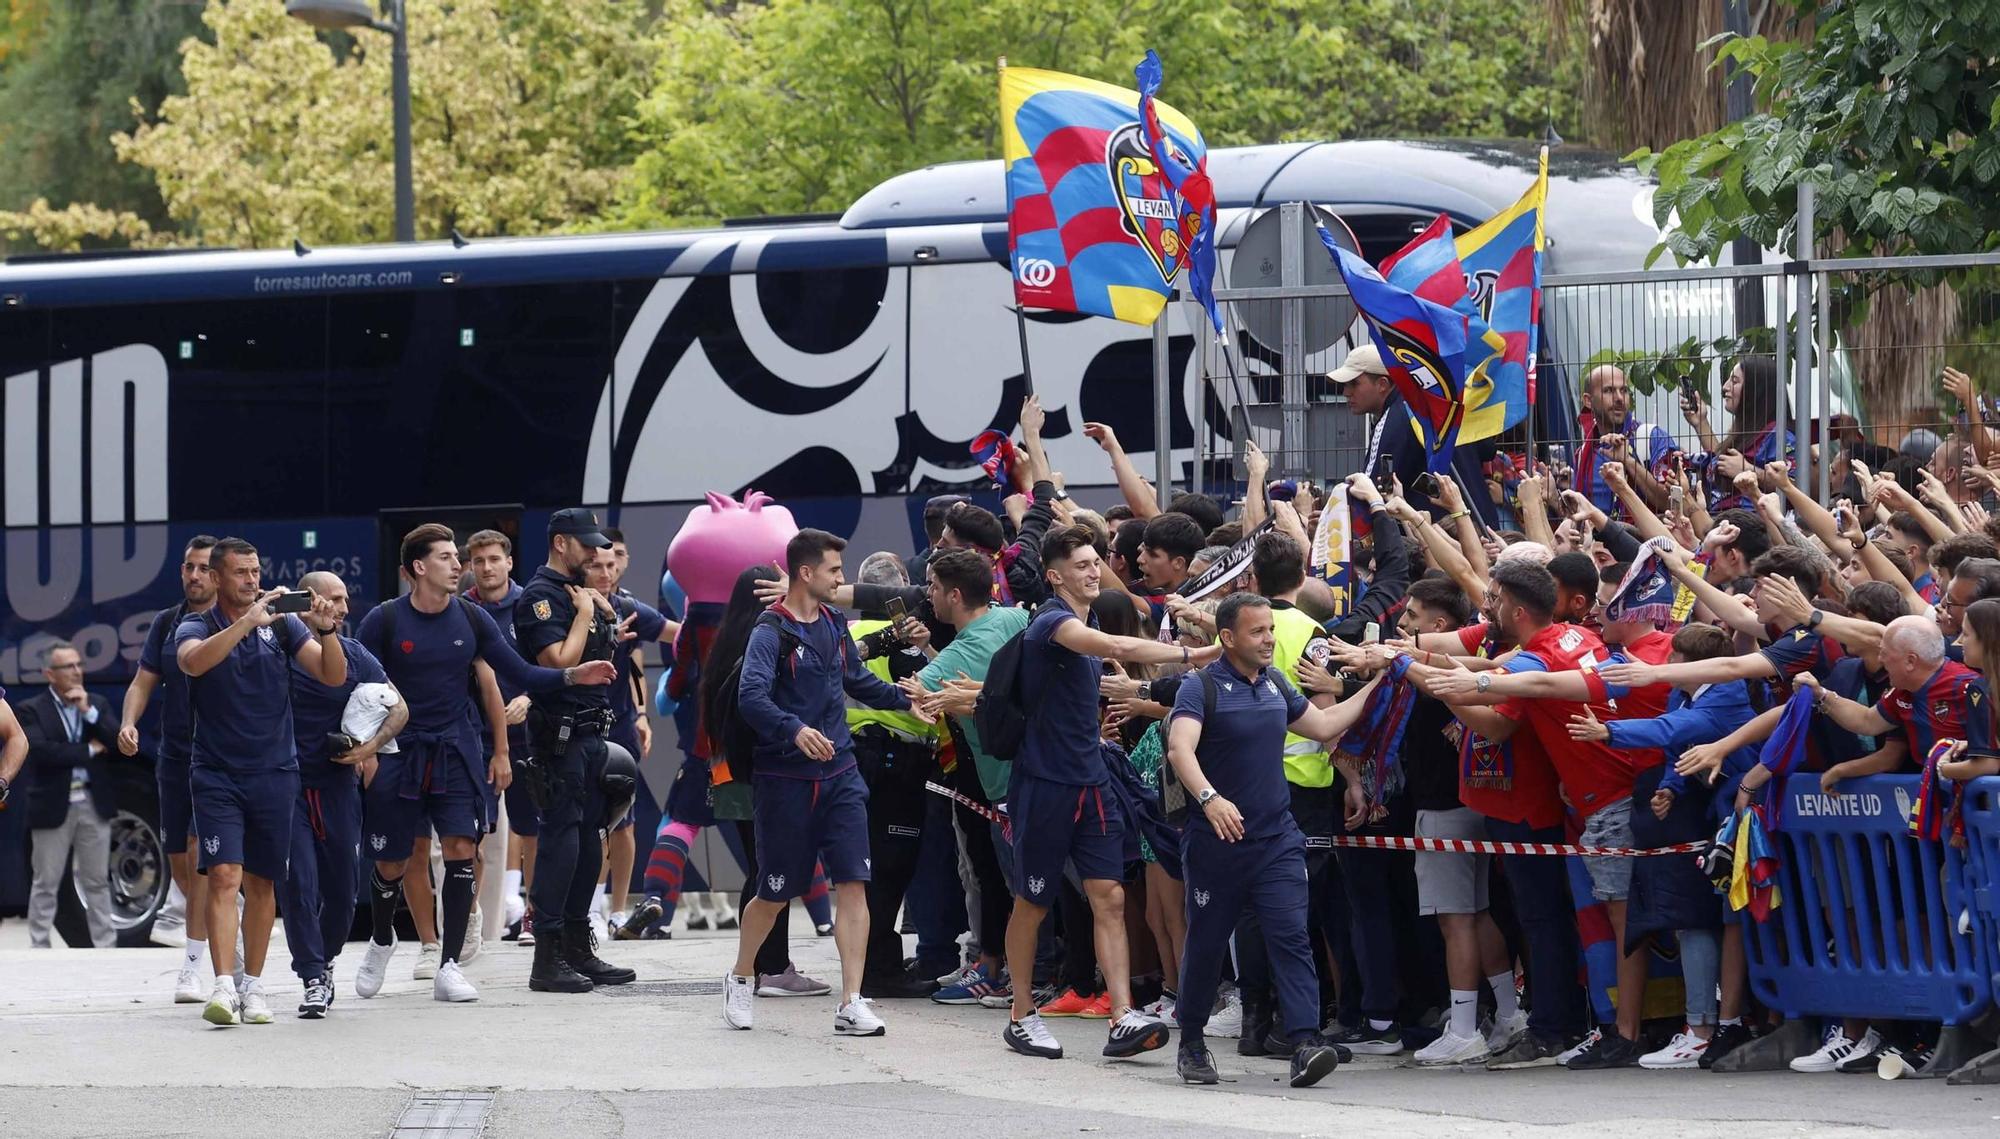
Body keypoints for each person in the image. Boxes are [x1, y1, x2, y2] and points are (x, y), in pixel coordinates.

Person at [354, 523, 613, 1003]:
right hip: (399, 754)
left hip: (455, 752)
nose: (460, 565)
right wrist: (363, 750)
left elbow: (520, 673)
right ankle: (383, 939)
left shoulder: (472, 620)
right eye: (447, 557)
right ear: (418, 567)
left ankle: (448, 963)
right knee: (393, 862)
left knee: (459, 849)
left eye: (460, 556)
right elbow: (358, 690)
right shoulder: (384, 621)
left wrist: (573, 674)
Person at [999, 525, 1223, 1063]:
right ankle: (1021, 1015)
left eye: (1097, 560)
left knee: (1112, 898)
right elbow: (1118, 646)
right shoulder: (1054, 622)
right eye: (1081, 564)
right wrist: (1202, 654)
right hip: (1045, 786)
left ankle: (1123, 1015)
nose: (1094, 570)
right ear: (1055, 576)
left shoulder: (1091, 614)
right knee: (1032, 901)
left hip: (1092, 781)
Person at [720, 529, 931, 1036]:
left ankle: (852, 1000)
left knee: (856, 883)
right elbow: (752, 698)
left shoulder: (835, 622)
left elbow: (856, 680)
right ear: (806, 573)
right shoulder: (769, 631)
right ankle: (742, 976)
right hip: (785, 781)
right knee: (773, 893)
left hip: (842, 779)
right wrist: (794, 730)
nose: (842, 578)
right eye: (835, 571)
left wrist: (907, 699)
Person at [1165, 593, 1374, 1087]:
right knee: (1208, 942)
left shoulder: (1277, 683)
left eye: (1270, 631)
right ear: (1228, 638)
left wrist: (1380, 686)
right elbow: (1180, 747)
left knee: (1292, 937)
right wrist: (1211, 799)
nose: (1269, 640)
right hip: (1216, 843)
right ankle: (1191, 1043)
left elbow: (1322, 724)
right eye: (1257, 632)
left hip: (1278, 838)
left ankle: (1304, 1042)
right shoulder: (1200, 688)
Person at [175, 537, 346, 1026]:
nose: (253, 580)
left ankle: (254, 985)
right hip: (216, 774)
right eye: (242, 573)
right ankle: (224, 986)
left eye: (256, 571)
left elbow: (331, 675)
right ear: (217, 578)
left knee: (262, 882)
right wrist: (246, 625)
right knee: (224, 876)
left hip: (275, 772)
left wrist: (327, 629)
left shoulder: (285, 624)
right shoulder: (197, 624)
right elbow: (192, 662)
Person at [901, 548, 1032, 1009]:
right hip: (1035, 775)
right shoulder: (1013, 619)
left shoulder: (957, 654)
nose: (928, 595)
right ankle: (1022, 972)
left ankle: (1017, 978)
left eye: (934, 587)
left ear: (954, 595)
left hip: (1006, 789)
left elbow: (916, 700)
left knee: (1017, 887)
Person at [281, 572, 406, 1018]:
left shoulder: (354, 654)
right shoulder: (277, 648)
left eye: (345, 599)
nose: (344, 608)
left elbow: (399, 707)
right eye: (334, 599)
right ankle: (313, 976)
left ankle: (327, 959)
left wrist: (368, 750)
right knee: (299, 883)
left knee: (342, 889)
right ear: (309, 601)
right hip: (287, 786)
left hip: (337, 786)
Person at [119, 534, 218, 986]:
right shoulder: (165, 622)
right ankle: (216, 920)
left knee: (201, 853)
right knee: (180, 863)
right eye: (187, 567)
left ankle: (196, 962)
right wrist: (128, 722)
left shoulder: (234, 620)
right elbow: (142, 682)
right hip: (174, 756)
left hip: (220, 757)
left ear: (217, 573)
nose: (193, 576)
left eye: (201, 568)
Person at [589, 530, 679, 940]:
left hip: (619, 729)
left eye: (612, 563)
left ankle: (616, 910)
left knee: (622, 823)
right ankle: (583, 908)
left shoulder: (629, 608)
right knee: (585, 823)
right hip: (576, 729)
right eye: (597, 564)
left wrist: (641, 714)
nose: (606, 572)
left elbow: (675, 636)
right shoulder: (562, 606)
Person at [17, 641, 128, 949]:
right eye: (69, 667)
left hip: (93, 803)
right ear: (49, 674)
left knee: (96, 880)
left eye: (79, 665)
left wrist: (87, 712)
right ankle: (39, 947)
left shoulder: (97, 704)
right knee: (46, 882)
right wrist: (89, 750)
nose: (77, 672)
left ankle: (106, 947)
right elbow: (40, 752)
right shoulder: (31, 708)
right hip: (53, 806)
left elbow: (118, 745)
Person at [465, 529, 540, 944]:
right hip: (475, 740)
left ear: (509, 562)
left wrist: (528, 698)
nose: (488, 568)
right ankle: (471, 917)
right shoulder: (461, 609)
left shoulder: (532, 605)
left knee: (533, 831)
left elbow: (548, 663)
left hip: (529, 738)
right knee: (472, 833)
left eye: (495, 559)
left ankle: (533, 914)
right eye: (479, 561)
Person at [1327, 342, 1494, 523]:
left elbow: (1371, 490)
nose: (1346, 392)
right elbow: (1488, 449)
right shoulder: (1441, 402)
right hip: (1484, 525)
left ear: (1382, 384)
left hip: (1439, 536)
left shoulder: (1395, 416)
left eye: (1354, 383)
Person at [1574, 365, 1678, 519]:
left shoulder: (1652, 438)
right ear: (1588, 401)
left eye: (1624, 390)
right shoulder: (1583, 455)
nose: (1619, 398)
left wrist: (1628, 462)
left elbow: (1671, 503)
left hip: (1648, 542)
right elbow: (1579, 512)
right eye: (1609, 391)